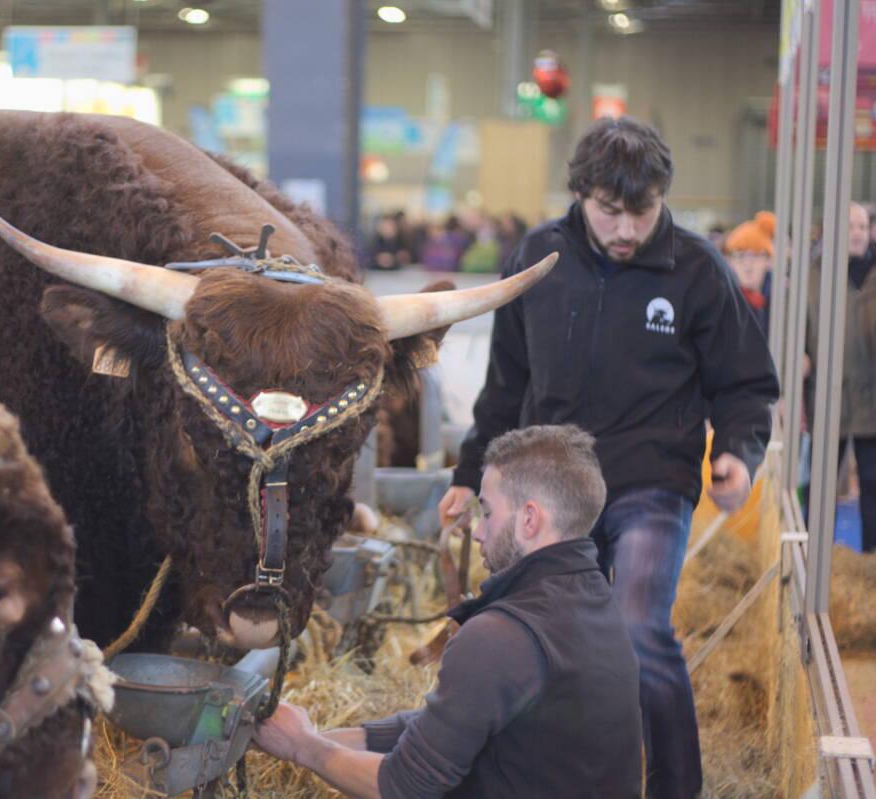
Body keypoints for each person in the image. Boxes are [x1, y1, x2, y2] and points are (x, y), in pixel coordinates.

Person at [437, 116, 779, 799]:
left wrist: (740, 452)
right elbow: (505, 384)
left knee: (635, 625)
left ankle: (675, 787)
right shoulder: (540, 259)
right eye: (609, 212)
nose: (626, 230)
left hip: (652, 479)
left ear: (663, 199)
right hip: (554, 485)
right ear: (580, 195)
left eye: (642, 212)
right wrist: (470, 474)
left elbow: (744, 382)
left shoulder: (696, 270)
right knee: (536, 635)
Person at [254, 425, 643, 799]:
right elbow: (452, 724)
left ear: (529, 519)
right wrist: (316, 735)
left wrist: (304, 749)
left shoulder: (502, 635)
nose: (477, 532)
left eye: (487, 513)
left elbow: (402, 787)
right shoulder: (595, 602)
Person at [807, 202, 876, 551]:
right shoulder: (815, 276)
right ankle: (814, 558)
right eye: (850, 226)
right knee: (820, 487)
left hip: (871, 401)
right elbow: (799, 330)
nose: (857, 233)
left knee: (872, 483)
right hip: (826, 398)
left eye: (863, 226)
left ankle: (870, 565)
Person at [723, 211, 776, 337]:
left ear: (769, 260)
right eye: (740, 256)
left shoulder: (783, 300)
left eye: (756, 255)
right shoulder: (722, 300)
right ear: (730, 262)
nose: (748, 265)